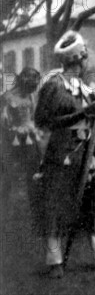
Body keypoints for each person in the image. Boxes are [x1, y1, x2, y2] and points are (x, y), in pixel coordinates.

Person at [33, 31, 95, 279]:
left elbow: (94, 117)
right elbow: (43, 120)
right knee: (56, 204)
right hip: (62, 152)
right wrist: (84, 113)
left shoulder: (86, 88)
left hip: (88, 151)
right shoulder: (54, 86)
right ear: (78, 59)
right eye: (85, 57)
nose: (87, 61)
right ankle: (55, 261)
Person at [0, 67, 41, 220]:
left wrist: (32, 128)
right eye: (29, 87)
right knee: (12, 176)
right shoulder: (7, 97)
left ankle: (32, 209)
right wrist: (14, 129)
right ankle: (11, 212)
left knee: (33, 172)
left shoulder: (31, 97)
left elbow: (33, 116)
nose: (30, 91)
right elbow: (3, 123)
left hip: (30, 139)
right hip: (12, 142)